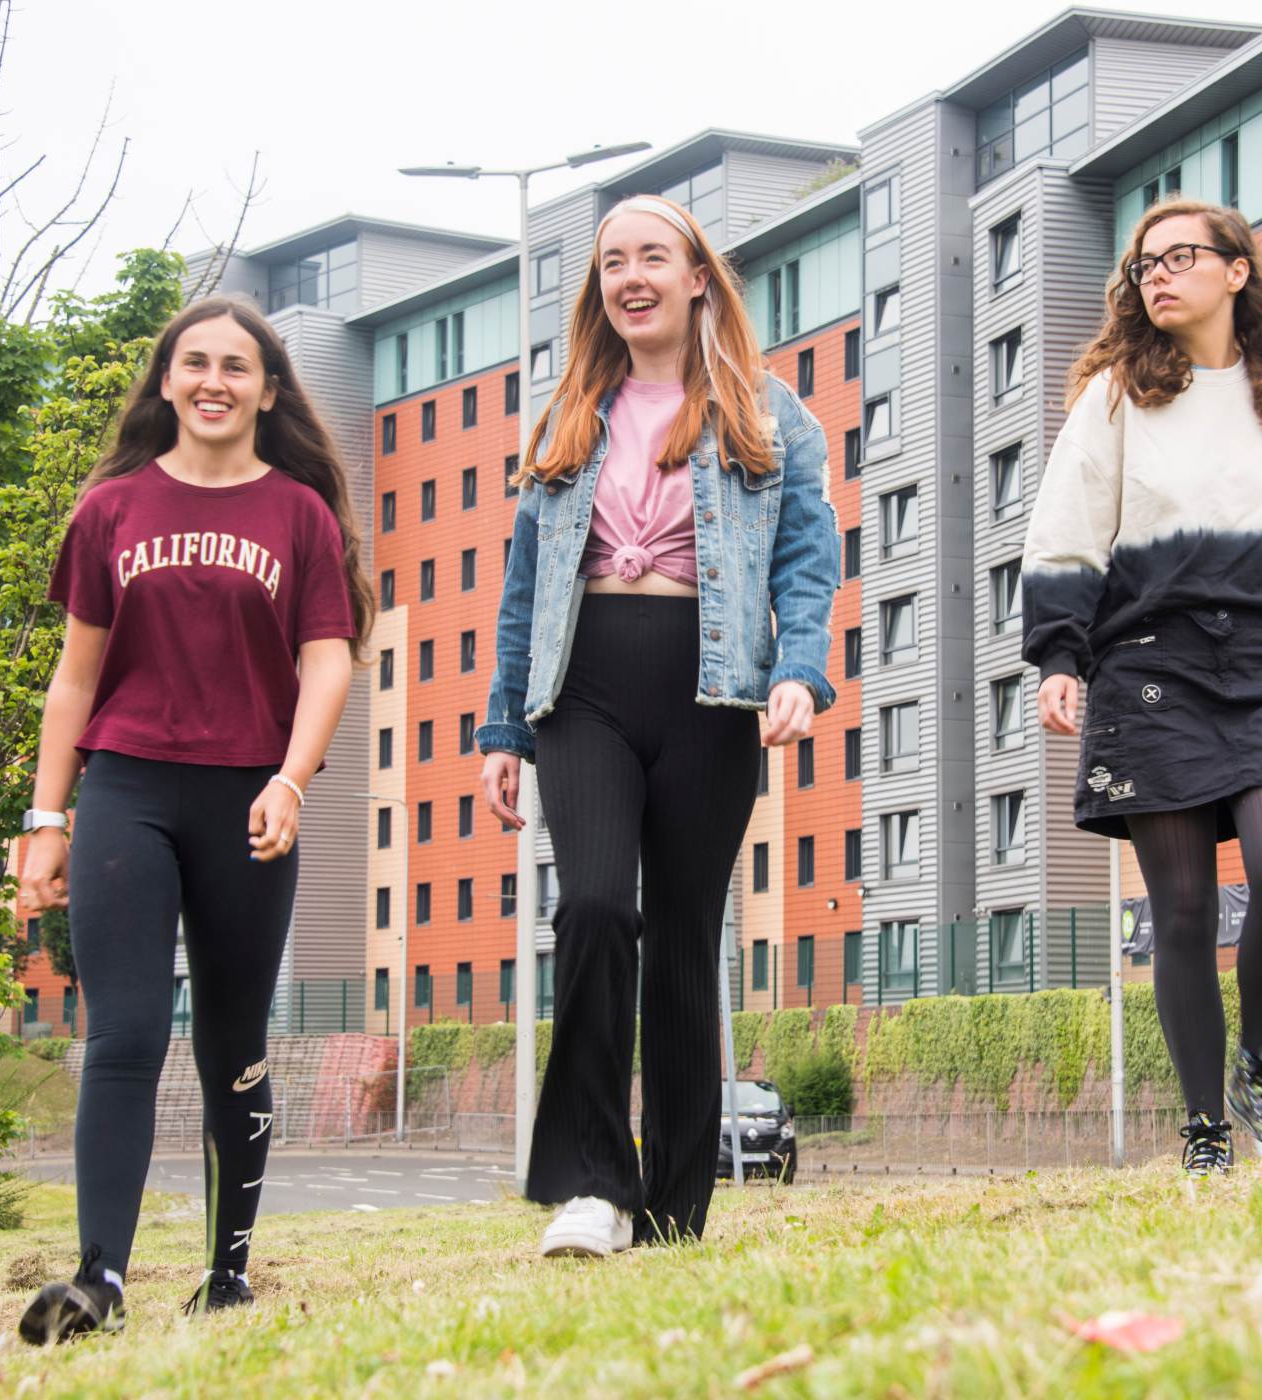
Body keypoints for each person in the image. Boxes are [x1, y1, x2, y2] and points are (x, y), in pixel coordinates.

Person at [479, 194, 839, 1257]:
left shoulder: (770, 414)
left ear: (695, 277)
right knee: (593, 904)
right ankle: (593, 1180)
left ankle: (676, 1209)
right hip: (585, 685)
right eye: (612, 262)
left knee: (684, 942)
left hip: (713, 692)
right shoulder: (565, 417)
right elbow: (521, 584)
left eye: (653, 257)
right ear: (600, 289)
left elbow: (808, 562)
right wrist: (504, 727)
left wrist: (802, 674)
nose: (631, 275)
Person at [15, 298, 369, 1342]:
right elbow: (74, 679)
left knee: (229, 1037)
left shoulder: (301, 515)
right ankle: (101, 1278)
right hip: (127, 785)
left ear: (268, 389)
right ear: (166, 381)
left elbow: (327, 658)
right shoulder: (110, 510)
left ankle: (227, 1270)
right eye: (195, 362)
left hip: (248, 793)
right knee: (122, 1031)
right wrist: (48, 816)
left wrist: (293, 778)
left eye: (237, 366)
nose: (214, 380)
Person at [1021, 197, 1262, 1179]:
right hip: (1149, 668)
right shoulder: (1113, 398)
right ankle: (1203, 1129)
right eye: (1145, 265)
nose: (1159, 276)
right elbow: (1065, 531)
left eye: (1181, 257)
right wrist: (1060, 656)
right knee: (1179, 909)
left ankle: (1259, 1066)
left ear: (1237, 268)